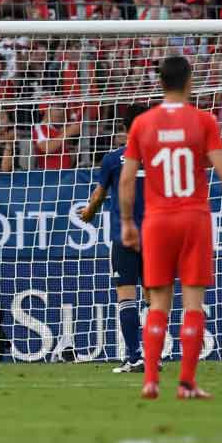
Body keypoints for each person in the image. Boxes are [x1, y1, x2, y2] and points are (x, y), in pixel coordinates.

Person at [119, 56, 222, 400]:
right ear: (189, 81)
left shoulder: (142, 124)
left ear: (160, 83)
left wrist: (127, 222)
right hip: (193, 218)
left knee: (159, 301)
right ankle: (187, 382)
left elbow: (128, 180)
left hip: (157, 221)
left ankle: (150, 380)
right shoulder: (203, 121)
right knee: (193, 302)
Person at [79, 105, 148, 373]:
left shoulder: (113, 159)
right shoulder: (160, 159)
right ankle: (153, 357)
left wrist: (88, 213)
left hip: (125, 236)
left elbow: (97, 197)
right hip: (156, 237)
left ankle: (134, 357)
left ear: (123, 126)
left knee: (126, 296)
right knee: (154, 298)